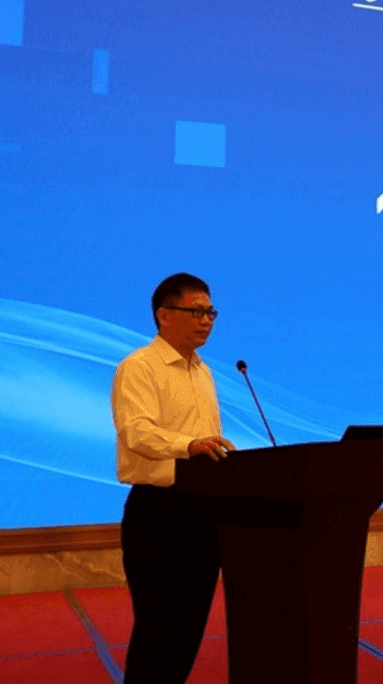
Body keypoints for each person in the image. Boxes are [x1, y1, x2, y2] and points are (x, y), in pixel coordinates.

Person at [112, 272, 238, 684]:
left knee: (188, 631)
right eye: (196, 311)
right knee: (158, 631)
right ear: (164, 315)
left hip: (205, 513)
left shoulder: (203, 372)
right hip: (159, 513)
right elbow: (136, 432)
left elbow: (209, 444)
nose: (206, 320)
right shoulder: (139, 367)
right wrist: (190, 445)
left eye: (211, 312)